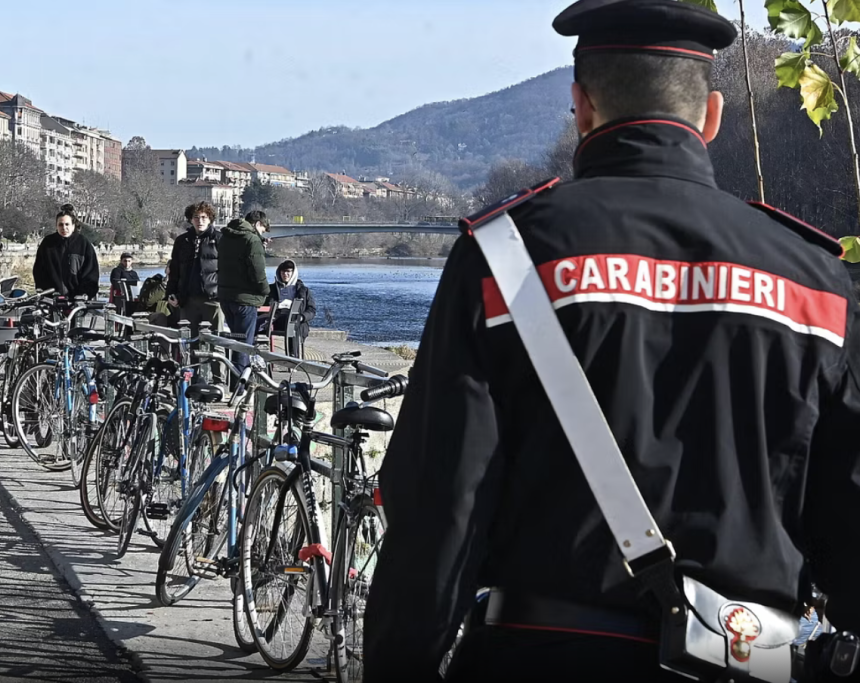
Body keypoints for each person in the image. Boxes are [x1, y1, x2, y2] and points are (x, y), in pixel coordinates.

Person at [363, 2, 860, 681]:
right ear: (712, 117)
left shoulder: (505, 260)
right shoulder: (817, 283)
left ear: (582, 107)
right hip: (750, 660)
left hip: (539, 658)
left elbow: (438, 512)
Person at [217, 209, 270, 377]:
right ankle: (240, 388)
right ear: (257, 224)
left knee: (234, 342)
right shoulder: (252, 240)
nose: (262, 234)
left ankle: (233, 382)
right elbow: (257, 272)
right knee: (244, 345)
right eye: (263, 229)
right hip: (246, 299)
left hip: (226, 296)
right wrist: (266, 292)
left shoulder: (226, 237)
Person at [166, 202, 223, 332]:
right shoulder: (182, 241)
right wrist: (171, 293)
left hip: (212, 299)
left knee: (215, 340)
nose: (200, 221)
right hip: (187, 299)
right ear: (191, 219)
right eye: (196, 217)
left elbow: (228, 270)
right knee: (189, 341)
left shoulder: (220, 239)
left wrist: (221, 293)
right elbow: (174, 270)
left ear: (210, 219)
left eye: (204, 217)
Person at [32, 204, 99, 300]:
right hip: (51, 297)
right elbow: (39, 270)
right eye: (61, 225)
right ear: (56, 226)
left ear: (73, 226)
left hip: (78, 299)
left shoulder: (83, 244)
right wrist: (42, 289)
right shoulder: (47, 244)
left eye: (67, 224)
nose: (64, 228)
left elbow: (91, 273)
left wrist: (85, 293)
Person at [261, 259, 316, 357]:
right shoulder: (271, 289)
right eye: (283, 272)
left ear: (293, 273)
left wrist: (302, 317)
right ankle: (261, 354)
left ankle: (293, 356)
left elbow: (311, 310)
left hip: (297, 320)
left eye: (288, 272)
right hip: (276, 319)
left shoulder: (303, 290)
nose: (285, 274)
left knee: (293, 323)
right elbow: (264, 305)